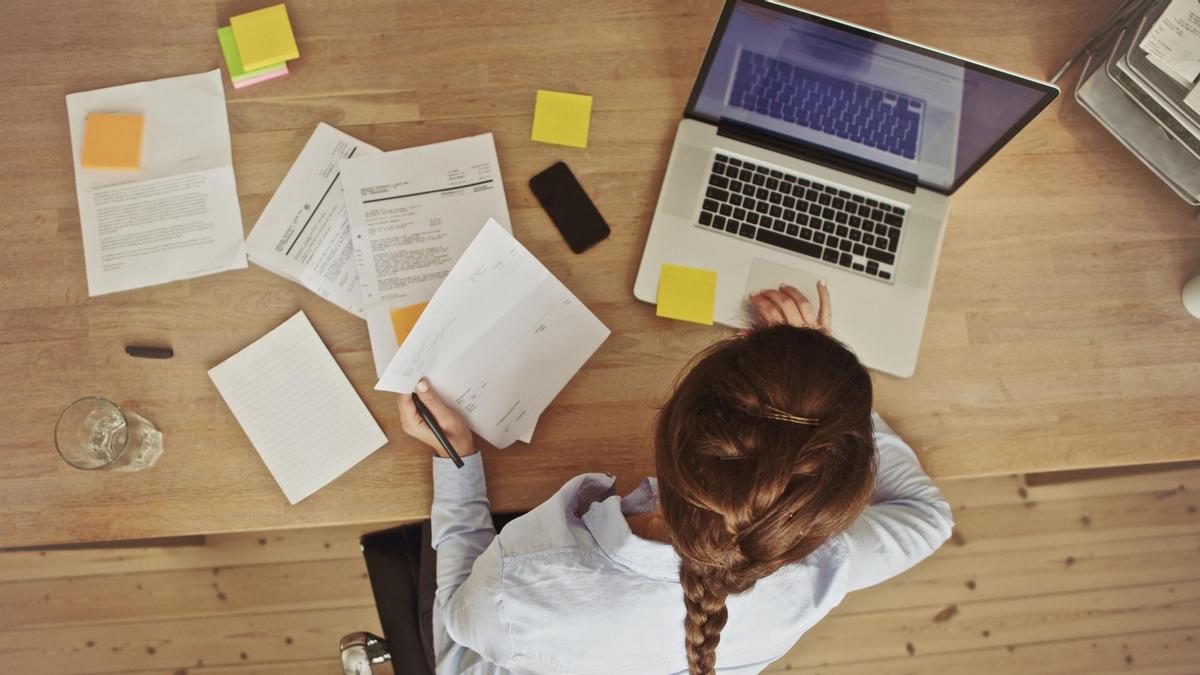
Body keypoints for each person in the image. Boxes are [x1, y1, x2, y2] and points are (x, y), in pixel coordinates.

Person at [398, 282, 954, 675]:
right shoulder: (818, 573)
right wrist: (827, 403)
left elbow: (454, 634)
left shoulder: (522, 584)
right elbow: (927, 519)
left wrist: (458, 461)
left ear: (666, 420)